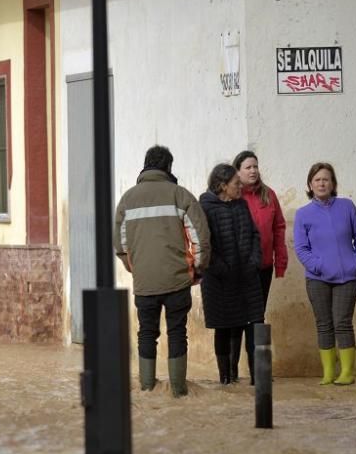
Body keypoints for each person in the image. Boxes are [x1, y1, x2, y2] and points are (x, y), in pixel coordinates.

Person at [114, 145, 210, 397]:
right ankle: (178, 391)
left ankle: (147, 388)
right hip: (178, 280)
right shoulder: (181, 195)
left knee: (146, 332)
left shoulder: (127, 199)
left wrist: (136, 269)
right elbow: (200, 238)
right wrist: (197, 269)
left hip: (144, 282)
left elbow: (120, 245)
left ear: (145, 165)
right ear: (168, 167)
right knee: (177, 331)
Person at [294, 162, 356, 385]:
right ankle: (328, 372)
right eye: (317, 179)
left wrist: (355, 262)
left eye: (326, 179)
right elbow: (301, 248)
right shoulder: (303, 214)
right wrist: (317, 266)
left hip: (348, 277)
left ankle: (347, 372)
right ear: (310, 184)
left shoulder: (347, 206)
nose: (321, 183)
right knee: (324, 323)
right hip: (317, 279)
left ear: (333, 183)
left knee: (342, 322)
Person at [199, 164, 265, 385]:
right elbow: (204, 245)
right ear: (222, 185)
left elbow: (255, 235)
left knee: (254, 324)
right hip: (219, 281)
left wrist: (254, 261)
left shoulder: (241, 205)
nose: (241, 186)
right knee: (224, 328)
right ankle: (226, 379)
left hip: (247, 278)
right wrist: (222, 269)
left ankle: (259, 380)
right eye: (236, 183)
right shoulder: (205, 208)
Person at [232, 150, 288, 381]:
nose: (253, 170)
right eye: (248, 167)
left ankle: (260, 374)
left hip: (263, 267)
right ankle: (231, 375)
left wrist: (280, 262)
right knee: (235, 318)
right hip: (237, 269)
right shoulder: (232, 196)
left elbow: (279, 228)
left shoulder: (269, 194)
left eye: (255, 166)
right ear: (237, 171)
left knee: (257, 318)